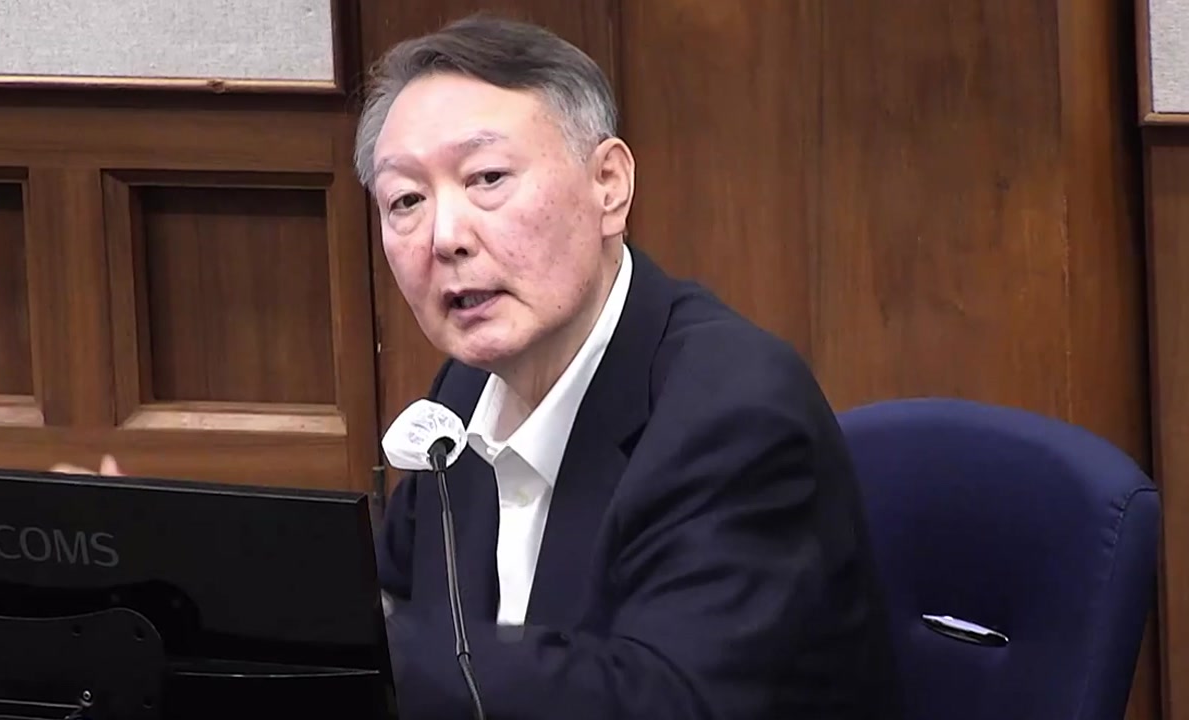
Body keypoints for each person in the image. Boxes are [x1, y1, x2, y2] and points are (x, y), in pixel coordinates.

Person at [57, 14, 900, 719]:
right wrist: (183, 583)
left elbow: (661, 698)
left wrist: (336, 639)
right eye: (406, 200)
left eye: (488, 178)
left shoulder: (733, 410)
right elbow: (382, 607)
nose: (445, 236)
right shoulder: (466, 391)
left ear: (609, 184)